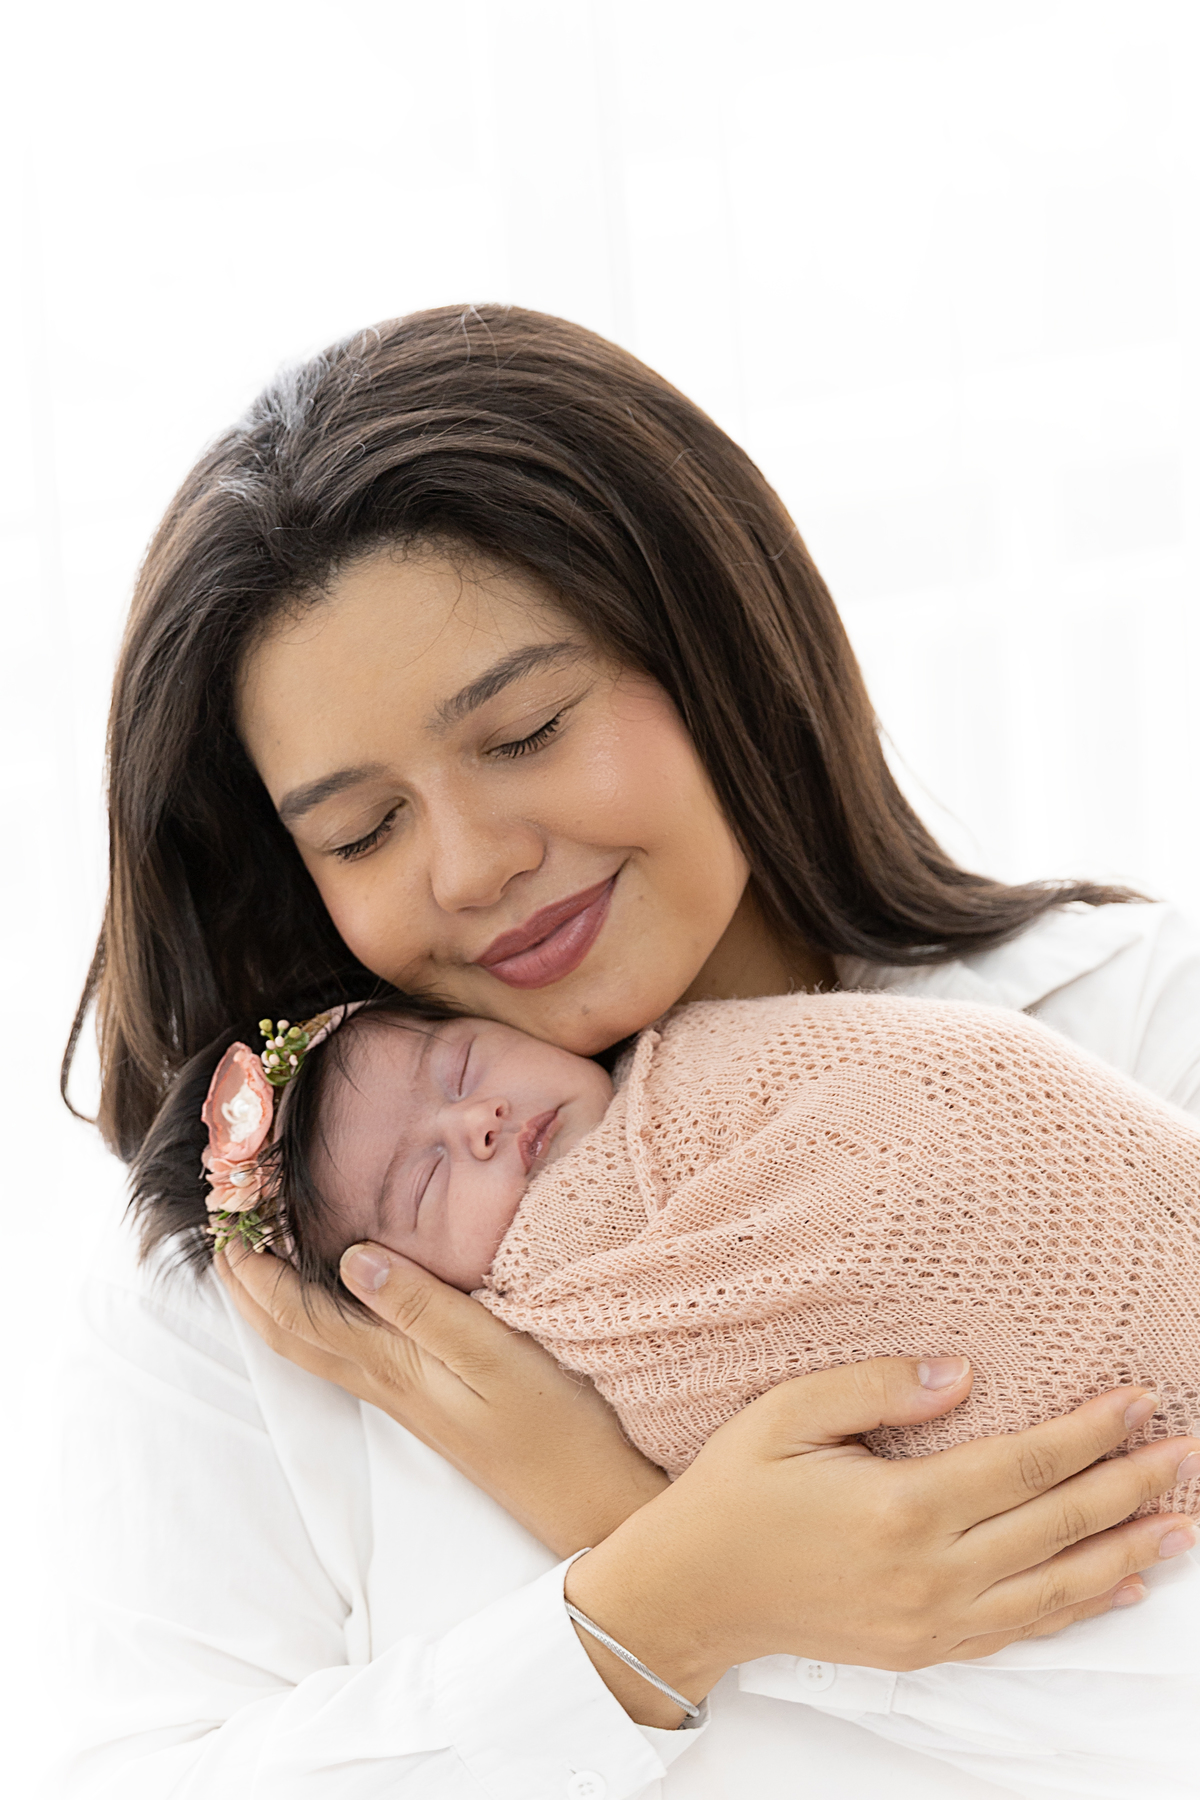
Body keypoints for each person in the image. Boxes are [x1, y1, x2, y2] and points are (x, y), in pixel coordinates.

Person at [59, 305, 1200, 1799]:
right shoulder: (266, 1292)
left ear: (714, 649)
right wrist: (648, 1615)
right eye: (364, 828)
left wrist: (629, 1522)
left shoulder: (1138, 1021)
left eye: (526, 730)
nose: (472, 864)